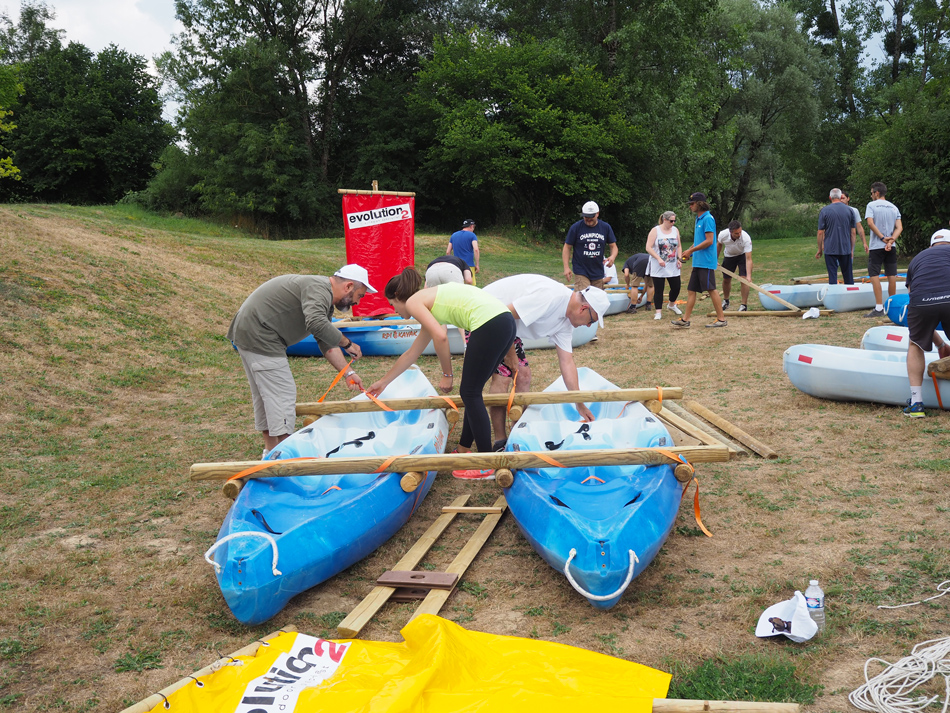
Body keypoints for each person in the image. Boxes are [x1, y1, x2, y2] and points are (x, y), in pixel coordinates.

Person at [368, 268, 516, 479]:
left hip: (489, 323)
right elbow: (411, 353)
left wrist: (447, 374)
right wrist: (383, 382)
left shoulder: (414, 302)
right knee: (472, 393)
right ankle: (465, 448)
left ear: (399, 298)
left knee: (470, 392)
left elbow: (441, 336)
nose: (395, 311)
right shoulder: (429, 303)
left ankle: (487, 463)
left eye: (393, 305)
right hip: (504, 321)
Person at [227, 265, 375, 457]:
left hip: (250, 331)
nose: (357, 302)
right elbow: (316, 323)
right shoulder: (318, 289)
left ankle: (271, 452)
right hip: (261, 335)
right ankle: (286, 455)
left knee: (267, 396)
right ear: (348, 286)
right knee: (282, 394)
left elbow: (324, 339)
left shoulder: (322, 295)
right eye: (360, 295)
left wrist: (348, 373)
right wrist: (347, 343)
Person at [482, 275, 609, 448]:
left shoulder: (566, 322)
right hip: (485, 315)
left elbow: (567, 362)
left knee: (524, 375)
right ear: (583, 308)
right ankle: (500, 441)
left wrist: (579, 404)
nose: (589, 326)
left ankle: (518, 431)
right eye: (592, 320)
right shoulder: (550, 297)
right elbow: (502, 315)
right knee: (503, 376)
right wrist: (509, 353)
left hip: (508, 326)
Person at [902, 225, 950, 417]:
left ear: (931, 246)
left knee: (915, 343)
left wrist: (940, 344)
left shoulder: (917, 259)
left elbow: (914, 299)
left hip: (921, 302)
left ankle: (917, 403)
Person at [672, 193, 727, 328]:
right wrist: (689, 252)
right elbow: (699, 241)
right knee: (691, 290)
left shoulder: (708, 218)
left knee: (711, 289)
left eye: (692, 204)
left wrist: (692, 251)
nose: (690, 206)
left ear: (700, 203)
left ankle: (721, 319)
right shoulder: (699, 219)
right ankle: (685, 320)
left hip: (706, 262)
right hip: (697, 261)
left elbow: (709, 241)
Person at [864, 182, 903, 318]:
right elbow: (899, 227)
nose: (871, 195)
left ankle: (879, 307)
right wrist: (891, 240)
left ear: (876, 193)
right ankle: (892, 306)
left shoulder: (871, 205)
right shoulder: (894, 207)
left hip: (877, 245)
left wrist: (882, 238)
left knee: (874, 275)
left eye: (871, 193)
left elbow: (870, 223)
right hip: (890, 246)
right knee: (891, 275)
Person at [562, 200, 619, 290]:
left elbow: (613, 246)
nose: (588, 219)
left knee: (596, 298)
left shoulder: (605, 227)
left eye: (591, 217)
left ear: (597, 214)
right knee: (584, 297)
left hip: (598, 270)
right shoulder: (576, 227)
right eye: (586, 217)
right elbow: (567, 247)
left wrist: (612, 257)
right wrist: (566, 267)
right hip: (581, 269)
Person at [815, 188, 856, 285]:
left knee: (832, 275)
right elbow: (853, 232)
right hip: (845, 247)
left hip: (830, 248)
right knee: (848, 275)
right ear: (841, 196)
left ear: (830, 198)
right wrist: (851, 249)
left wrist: (820, 249)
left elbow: (820, 232)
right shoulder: (850, 210)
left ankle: (834, 293)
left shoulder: (824, 211)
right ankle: (850, 293)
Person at [645, 212, 682, 321]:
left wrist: (679, 258)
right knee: (659, 289)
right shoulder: (655, 230)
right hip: (659, 265)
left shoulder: (675, 230)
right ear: (664, 220)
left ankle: (671, 304)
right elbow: (648, 247)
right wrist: (658, 258)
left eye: (674, 221)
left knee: (676, 287)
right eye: (671, 221)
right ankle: (658, 312)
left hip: (672, 264)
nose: (673, 223)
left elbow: (679, 246)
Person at [717, 220, 753, 311]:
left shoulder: (746, 238)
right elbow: (719, 245)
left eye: (740, 232)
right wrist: (714, 260)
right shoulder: (722, 235)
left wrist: (749, 276)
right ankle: (726, 301)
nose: (739, 234)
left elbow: (748, 259)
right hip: (729, 256)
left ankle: (743, 305)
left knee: (744, 279)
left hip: (742, 256)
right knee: (726, 279)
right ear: (730, 232)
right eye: (737, 233)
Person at [446, 219, 480, 285]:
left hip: (456, 265)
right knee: (470, 286)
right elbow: (476, 249)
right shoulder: (472, 235)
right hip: (468, 265)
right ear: (471, 226)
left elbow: (448, 252)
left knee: (458, 285)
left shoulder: (454, 235)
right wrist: (477, 264)